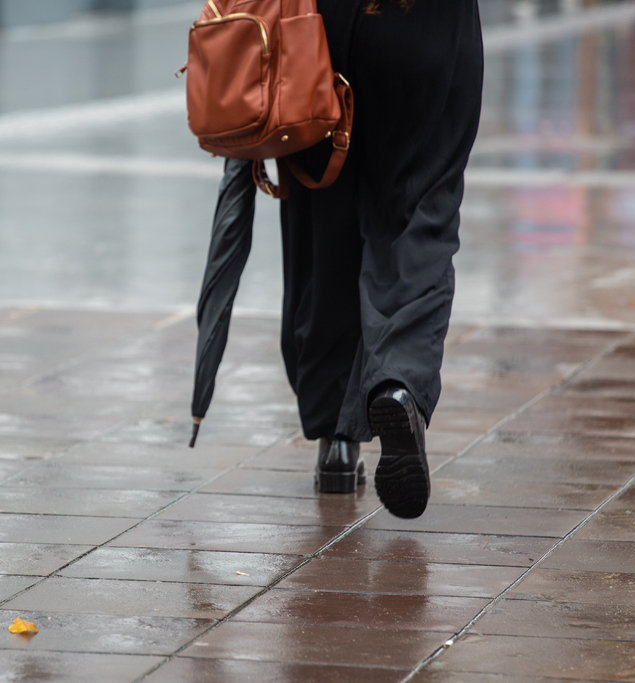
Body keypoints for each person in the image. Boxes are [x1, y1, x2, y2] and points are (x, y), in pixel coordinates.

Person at [281, 0, 483, 517]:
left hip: (319, 20)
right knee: (420, 207)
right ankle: (399, 384)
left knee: (324, 213)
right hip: (425, 21)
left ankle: (336, 444)